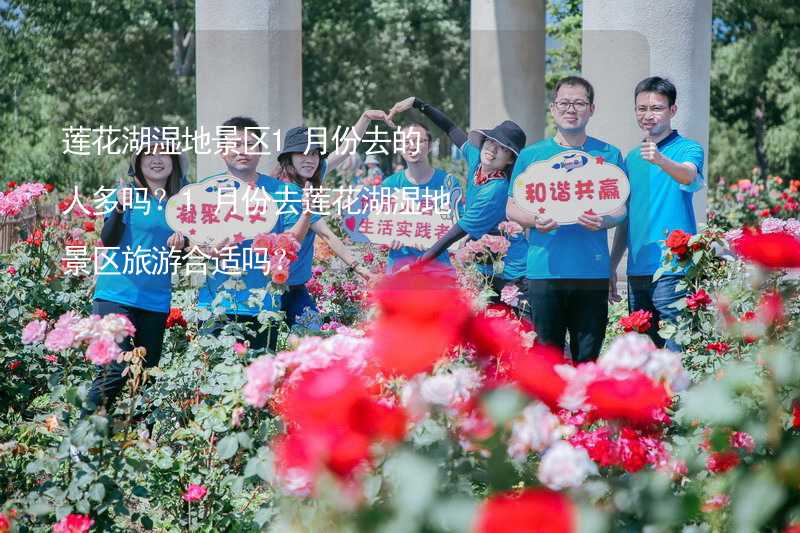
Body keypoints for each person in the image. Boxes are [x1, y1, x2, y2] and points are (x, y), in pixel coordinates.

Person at [506, 76, 627, 362]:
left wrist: (604, 220)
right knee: (547, 360)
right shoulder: (532, 156)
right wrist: (534, 220)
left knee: (588, 359)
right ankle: (550, 409)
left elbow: (621, 209)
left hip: (591, 272)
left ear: (592, 109)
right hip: (544, 271)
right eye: (564, 103)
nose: (571, 109)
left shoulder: (609, 155)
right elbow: (511, 207)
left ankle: (585, 409)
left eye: (579, 103)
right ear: (553, 108)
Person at [387, 96, 528, 305]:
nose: (493, 150)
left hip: (512, 272)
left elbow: (456, 232)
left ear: (510, 160)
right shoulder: (477, 161)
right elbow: (451, 129)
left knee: (518, 333)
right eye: (491, 142)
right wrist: (418, 104)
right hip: (484, 267)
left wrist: (417, 264)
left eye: (503, 149)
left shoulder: (496, 190)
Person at [85, 130, 189, 412]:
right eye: (149, 153)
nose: (157, 159)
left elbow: (178, 262)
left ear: (174, 160)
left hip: (155, 302)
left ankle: (139, 445)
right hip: (116, 296)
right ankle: (80, 443)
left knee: (146, 378)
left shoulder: (180, 204)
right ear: (138, 161)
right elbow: (109, 239)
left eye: (163, 152)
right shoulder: (125, 195)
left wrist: (180, 247)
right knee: (112, 373)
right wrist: (119, 207)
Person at [197, 116, 312, 350]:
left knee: (259, 381)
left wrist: (307, 214)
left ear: (260, 151)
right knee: (214, 381)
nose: (243, 151)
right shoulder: (205, 190)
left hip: (264, 305)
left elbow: (292, 241)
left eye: (250, 144)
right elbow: (191, 243)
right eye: (236, 144)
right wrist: (207, 249)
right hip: (215, 305)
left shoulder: (283, 191)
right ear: (221, 150)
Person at [610, 76, 705, 352]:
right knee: (644, 358)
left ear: (672, 111)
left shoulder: (687, 148)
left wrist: (661, 159)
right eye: (641, 108)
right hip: (637, 269)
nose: (647, 115)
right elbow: (626, 216)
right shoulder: (631, 158)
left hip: (673, 270)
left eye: (656, 108)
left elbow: (689, 176)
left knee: (678, 355)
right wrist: (613, 264)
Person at [274, 124, 377, 329]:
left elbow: (345, 149)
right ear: (289, 158)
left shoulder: (308, 175)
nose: (309, 159)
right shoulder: (289, 192)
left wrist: (366, 118)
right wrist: (360, 269)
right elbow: (328, 235)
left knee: (311, 340)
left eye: (314, 153)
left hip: (295, 287)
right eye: (302, 153)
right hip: (273, 288)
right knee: (289, 343)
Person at [379, 121, 460, 274]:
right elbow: (378, 227)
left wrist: (435, 242)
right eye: (406, 142)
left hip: (438, 272)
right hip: (398, 271)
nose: (412, 146)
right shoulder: (389, 185)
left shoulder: (448, 183)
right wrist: (387, 238)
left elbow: (459, 226)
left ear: (429, 146)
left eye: (418, 140)